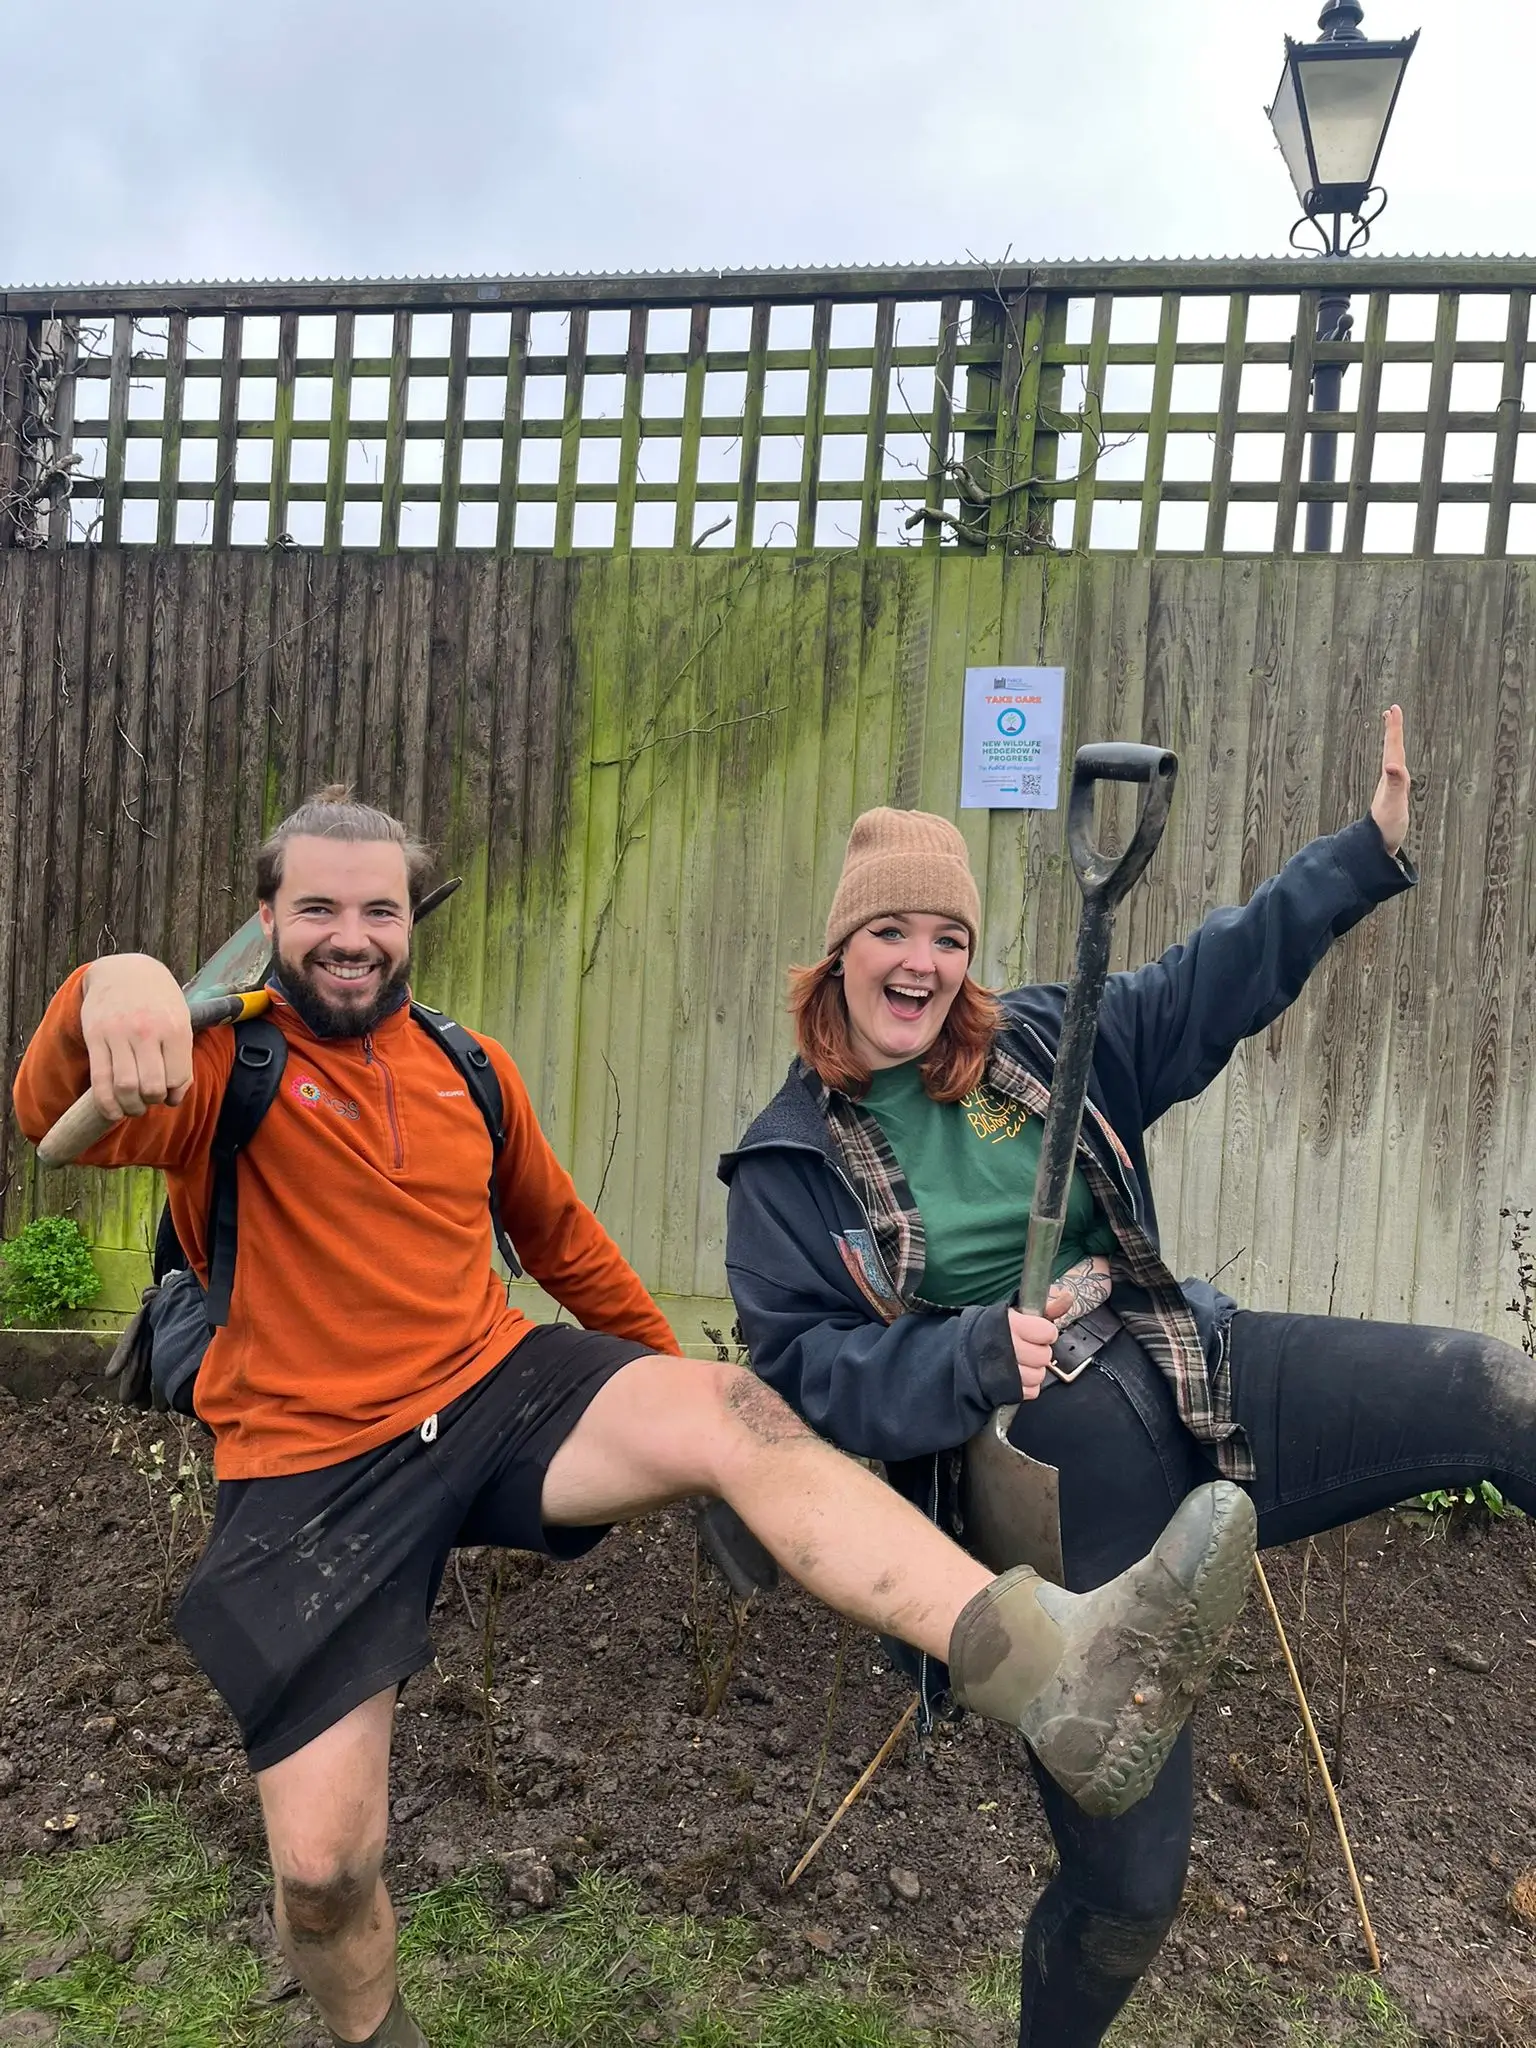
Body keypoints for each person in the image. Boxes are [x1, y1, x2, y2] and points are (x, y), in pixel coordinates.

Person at [12, 789, 1258, 2048]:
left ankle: (1060, 1676)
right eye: (320, 907)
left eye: (380, 908)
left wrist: (699, 1433)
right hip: (313, 1471)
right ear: (268, 915)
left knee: (732, 1404)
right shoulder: (222, 1063)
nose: (354, 934)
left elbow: (570, 1249)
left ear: (410, 921)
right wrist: (110, 982)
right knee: (326, 1879)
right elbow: (46, 1101)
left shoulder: (466, 1068)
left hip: (489, 1394)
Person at [721, 709, 1536, 2048]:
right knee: (1131, 1888)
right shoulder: (790, 1166)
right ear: (841, 952)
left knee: (1497, 1391)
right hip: (1041, 1479)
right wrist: (971, 1351)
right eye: (893, 933)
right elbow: (805, 1379)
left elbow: (1210, 982)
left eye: (949, 937)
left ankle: (1203, 1528)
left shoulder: (1046, 1042)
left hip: (1188, 1370)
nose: (923, 961)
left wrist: (1359, 855)